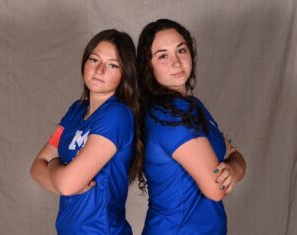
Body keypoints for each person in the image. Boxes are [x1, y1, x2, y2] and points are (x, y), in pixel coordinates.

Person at [137, 19, 246, 234]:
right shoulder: (168, 113)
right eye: (163, 56)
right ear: (148, 67)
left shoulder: (192, 106)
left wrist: (234, 167)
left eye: (181, 50)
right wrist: (232, 162)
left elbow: (234, 154)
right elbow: (216, 188)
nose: (176, 62)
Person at [30, 29, 144, 235]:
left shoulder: (117, 115)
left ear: (124, 74)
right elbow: (36, 168)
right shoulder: (76, 110)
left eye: (112, 65)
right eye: (94, 60)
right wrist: (64, 180)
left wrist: (56, 165)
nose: (100, 70)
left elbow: (62, 180)